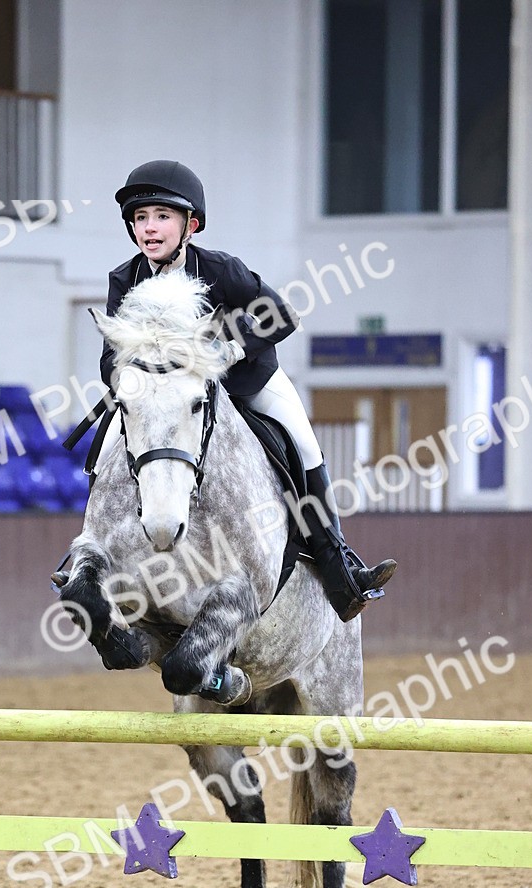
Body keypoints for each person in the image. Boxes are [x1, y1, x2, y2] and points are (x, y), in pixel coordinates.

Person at [94, 159, 396, 623]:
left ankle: (339, 567)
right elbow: (109, 359)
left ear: (191, 224)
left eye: (162, 216)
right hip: (167, 399)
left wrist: (234, 349)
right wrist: (131, 379)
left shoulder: (220, 269)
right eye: (141, 218)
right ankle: (90, 553)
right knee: (103, 454)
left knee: (303, 443)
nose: (149, 228)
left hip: (245, 382)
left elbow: (283, 316)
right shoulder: (125, 279)